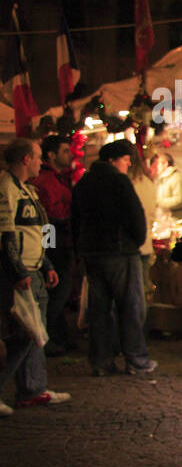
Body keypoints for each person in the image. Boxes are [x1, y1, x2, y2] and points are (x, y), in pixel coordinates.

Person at [70, 139, 157, 377]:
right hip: (120, 252)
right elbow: (135, 214)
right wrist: (137, 241)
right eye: (126, 160)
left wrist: (80, 249)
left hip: (92, 253)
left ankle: (100, 362)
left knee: (99, 310)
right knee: (130, 306)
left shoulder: (83, 183)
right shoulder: (119, 182)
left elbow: (75, 219)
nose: (128, 165)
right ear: (112, 160)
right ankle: (136, 360)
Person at [0, 138, 72, 409]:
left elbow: (36, 232)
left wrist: (46, 264)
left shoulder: (27, 190)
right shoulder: (7, 189)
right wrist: (17, 270)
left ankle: (33, 388)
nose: (42, 161)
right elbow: (6, 235)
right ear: (26, 159)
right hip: (20, 273)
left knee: (35, 332)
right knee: (26, 334)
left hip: (33, 268)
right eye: (38, 156)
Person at [31, 134, 78, 355]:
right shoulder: (46, 181)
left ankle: (58, 336)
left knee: (60, 292)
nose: (70, 155)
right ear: (51, 155)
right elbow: (47, 217)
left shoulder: (58, 178)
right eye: (65, 151)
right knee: (58, 290)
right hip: (55, 240)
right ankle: (47, 337)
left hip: (58, 239)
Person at [126, 145, 157, 304]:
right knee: (141, 296)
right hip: (144, 245)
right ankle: (142, 328)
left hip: (129, 248)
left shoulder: (126, 184)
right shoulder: (147, 183)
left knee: (130, 299)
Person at [151, 151, 182, 221]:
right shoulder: (163, 179)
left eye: (157, 165)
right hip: (169, 220)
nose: (154, 168)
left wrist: (158, 202)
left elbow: (180, 200)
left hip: (179, 221)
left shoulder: (177, 178)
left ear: (165, 164)